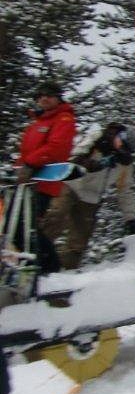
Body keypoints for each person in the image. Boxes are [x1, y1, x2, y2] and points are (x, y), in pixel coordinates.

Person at [40, 123, 135, 269]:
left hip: (91, 197)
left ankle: (66, 270)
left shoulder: (124, 163)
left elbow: (125, 190)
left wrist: (130, 218)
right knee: (55, 217)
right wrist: (92, 164)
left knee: (79, 239)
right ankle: (37, 257)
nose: (120, 147)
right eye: (120, 142)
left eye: (125, 148)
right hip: (71, 184)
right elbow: (74, 154)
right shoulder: (97, 138)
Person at [14, 82, 75, 274]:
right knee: (19, 228)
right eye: (40, 96)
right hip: (26, 182)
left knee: (23, 228)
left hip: (42, 182)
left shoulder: (63, 119)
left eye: (49, 95)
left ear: (58, 98)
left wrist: (30, 164)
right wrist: (18, 168)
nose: (44, 98)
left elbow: (57, 148)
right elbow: (26, 152)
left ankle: (49, 270)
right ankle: (37, 267)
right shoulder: (38, 123)